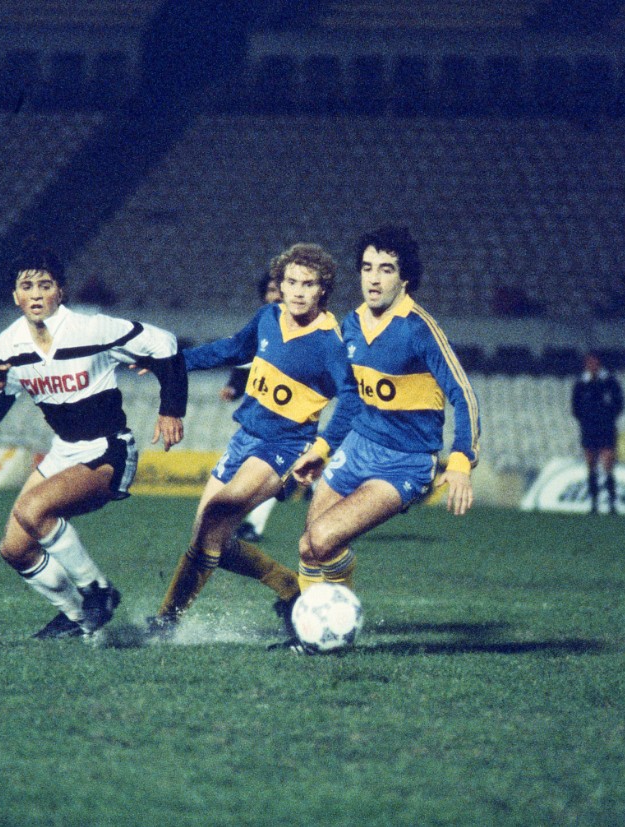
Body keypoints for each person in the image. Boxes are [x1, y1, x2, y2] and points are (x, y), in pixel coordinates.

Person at [0, 244, 187, 640]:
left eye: (45, 285)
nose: (36, 294)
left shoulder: (91, 328)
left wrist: (171, 409)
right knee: (15, 549)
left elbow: (165, 343)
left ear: (61, 291)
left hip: (109, 450)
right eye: (27, 286)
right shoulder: (7, 346)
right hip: (63, 452)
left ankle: (97, 590)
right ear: (15, 296)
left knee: (34, 510)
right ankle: (75, 616)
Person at [142, 243, 361, 639]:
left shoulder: (329, 341)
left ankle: (166, 623)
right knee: (210, 540)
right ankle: (291, 589)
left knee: (215, 518)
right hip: (245, 437)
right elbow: (230, 350)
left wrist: (322, 447)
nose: (296, 291)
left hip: (284, 447)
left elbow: (353, 398)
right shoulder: (268, 317)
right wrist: (170, 363)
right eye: (290, 281)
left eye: (307, 284)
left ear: (322, 290)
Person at [281, 225, 480, 651]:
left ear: (403, 278)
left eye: (385, 269)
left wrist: (461, 461)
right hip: (357, 446)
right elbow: (351, 399)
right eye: (367, 268)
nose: (373, 278)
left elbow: (463, 395)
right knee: (307, 546)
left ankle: (334, 628)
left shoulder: (418, 329)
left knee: (323, 540)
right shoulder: (350, 325)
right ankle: (315, 637)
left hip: (405, 461)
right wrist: (322, 448)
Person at [225, 271, 284, 543]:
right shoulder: (260, 327)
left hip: (287, 413)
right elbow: (245, 360)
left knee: (271, 471)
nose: (276, 295)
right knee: (253, 470)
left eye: (280, 289)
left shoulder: (305, 326)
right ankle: (246, 523)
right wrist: (234, 387)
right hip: (257, 412)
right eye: (272, 290)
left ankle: (253, 526)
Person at [571, 351, 625, 513]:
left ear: (599, 363)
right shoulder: (581, 384)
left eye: (594, 362)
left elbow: (619, 404)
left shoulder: (610, 382)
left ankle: (611, 504)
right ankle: (594, 504)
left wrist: (607, 419)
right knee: (591, 464)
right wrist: (586, 421)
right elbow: (575, 408)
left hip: (606, 428)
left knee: (608, 464)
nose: (591, 365)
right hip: (589, 429)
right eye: (589, 362)